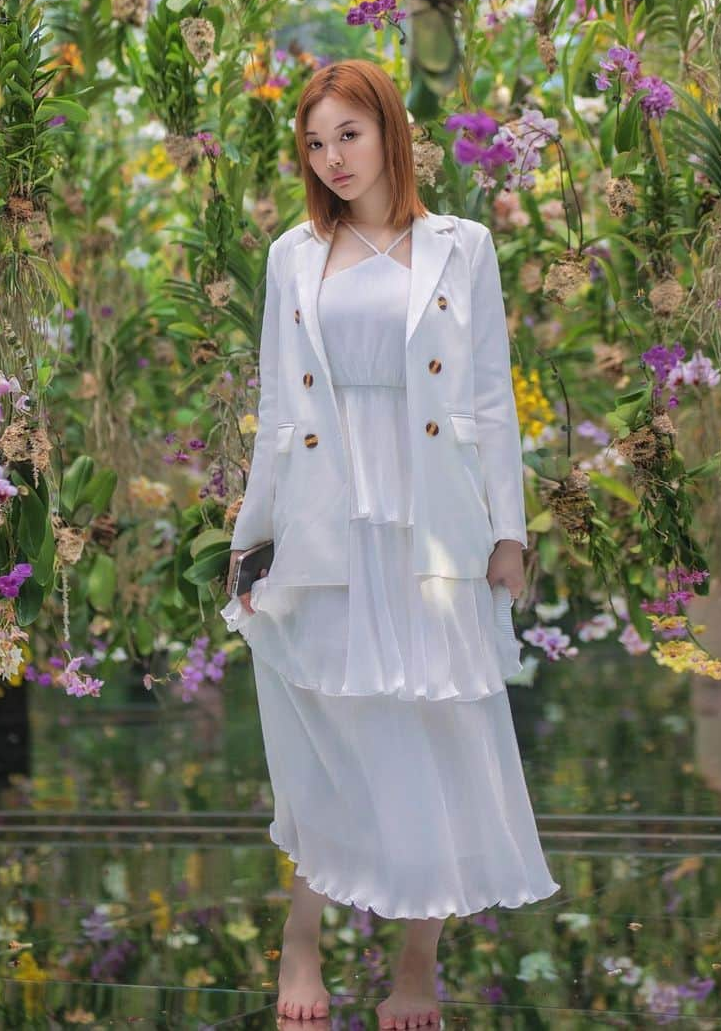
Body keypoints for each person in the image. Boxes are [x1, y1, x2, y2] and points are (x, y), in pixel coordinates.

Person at [221, 58, 559, 1028]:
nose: (332, 159)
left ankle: (419, 960)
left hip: (434, 520)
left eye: (349, 136)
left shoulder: (462, 247)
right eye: (316, 144)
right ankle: (305, 931)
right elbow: (279, 409)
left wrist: (508, 531)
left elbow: (489, 399)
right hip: (329, 515)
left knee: (438, 725)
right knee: (329, 724)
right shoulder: (294, 253)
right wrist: (257, 539)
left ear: (390, 134)